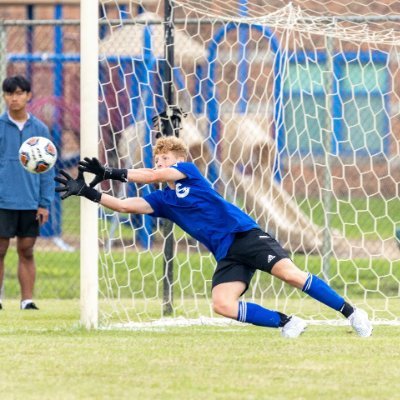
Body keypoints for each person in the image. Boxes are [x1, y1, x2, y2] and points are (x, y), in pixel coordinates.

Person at [55, 136, 373, 337]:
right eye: (157, 160)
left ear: (177, 162)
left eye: (164, 160)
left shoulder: (190, 173)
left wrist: (110, 172)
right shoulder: (163, 201)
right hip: (227, 254)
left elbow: (153, 176)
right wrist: (86, 191)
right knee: (222, 304)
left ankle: (353, 314)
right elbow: (124, 205)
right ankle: (287, 322)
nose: (159, 165)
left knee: (290, 275)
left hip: (247, 236)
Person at [0, 75, 55, 310]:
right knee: (0, 249)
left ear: (28, 96)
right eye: (10, 93)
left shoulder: (40, 129)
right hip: (3, 200)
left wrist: (44, 203)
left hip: (30, 201)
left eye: (20, 93)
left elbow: (48, 170)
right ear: (4, 96)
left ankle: (27, 300)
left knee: (27, 249)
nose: (15, 98)